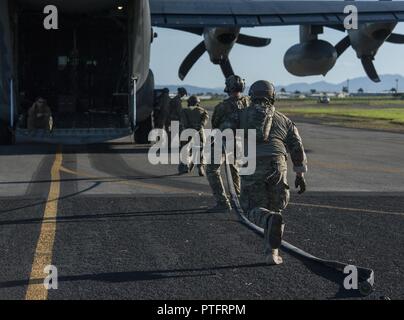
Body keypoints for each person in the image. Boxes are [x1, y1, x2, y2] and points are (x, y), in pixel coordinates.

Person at [239, 80, 307, 265]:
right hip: (278, 164)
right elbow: (297, 147)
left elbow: (224, 135)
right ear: (273, 97)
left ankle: (267, 220)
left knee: (252, 208)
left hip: (251, 162)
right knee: (276, 208)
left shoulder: (241, 115)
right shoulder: (283, 119)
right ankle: (272, 254)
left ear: (251, 96)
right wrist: (300, 174)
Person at [206, 75, 250, 212]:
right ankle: (237, 200)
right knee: (234, 169)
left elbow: (215, 123)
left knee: (212, 170)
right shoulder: (247, 103)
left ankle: (222, 202)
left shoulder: (222, 106)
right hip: (239, 141)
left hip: (223, 141)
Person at [178, 95, 209, 176]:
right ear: (198, 103)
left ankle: (185, 166)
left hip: (187, 132)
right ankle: (201, 167)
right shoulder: (203, 111)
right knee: (201, 150)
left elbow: (184, 122)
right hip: (199, 133)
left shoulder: (184, 111)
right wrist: (198, 127)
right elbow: (204, 122)